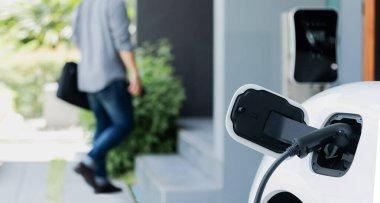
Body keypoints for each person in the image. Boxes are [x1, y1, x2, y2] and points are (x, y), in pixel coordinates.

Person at [71, 0, 142, 194]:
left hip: (87, 76)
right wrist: (134, 72)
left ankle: (100, 180)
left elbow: (76, 40)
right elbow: (122, 41)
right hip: (109, 76)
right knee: (124, 124)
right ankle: (89, 160)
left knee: (103, 126)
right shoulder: (114, 3)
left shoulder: (83, 5)